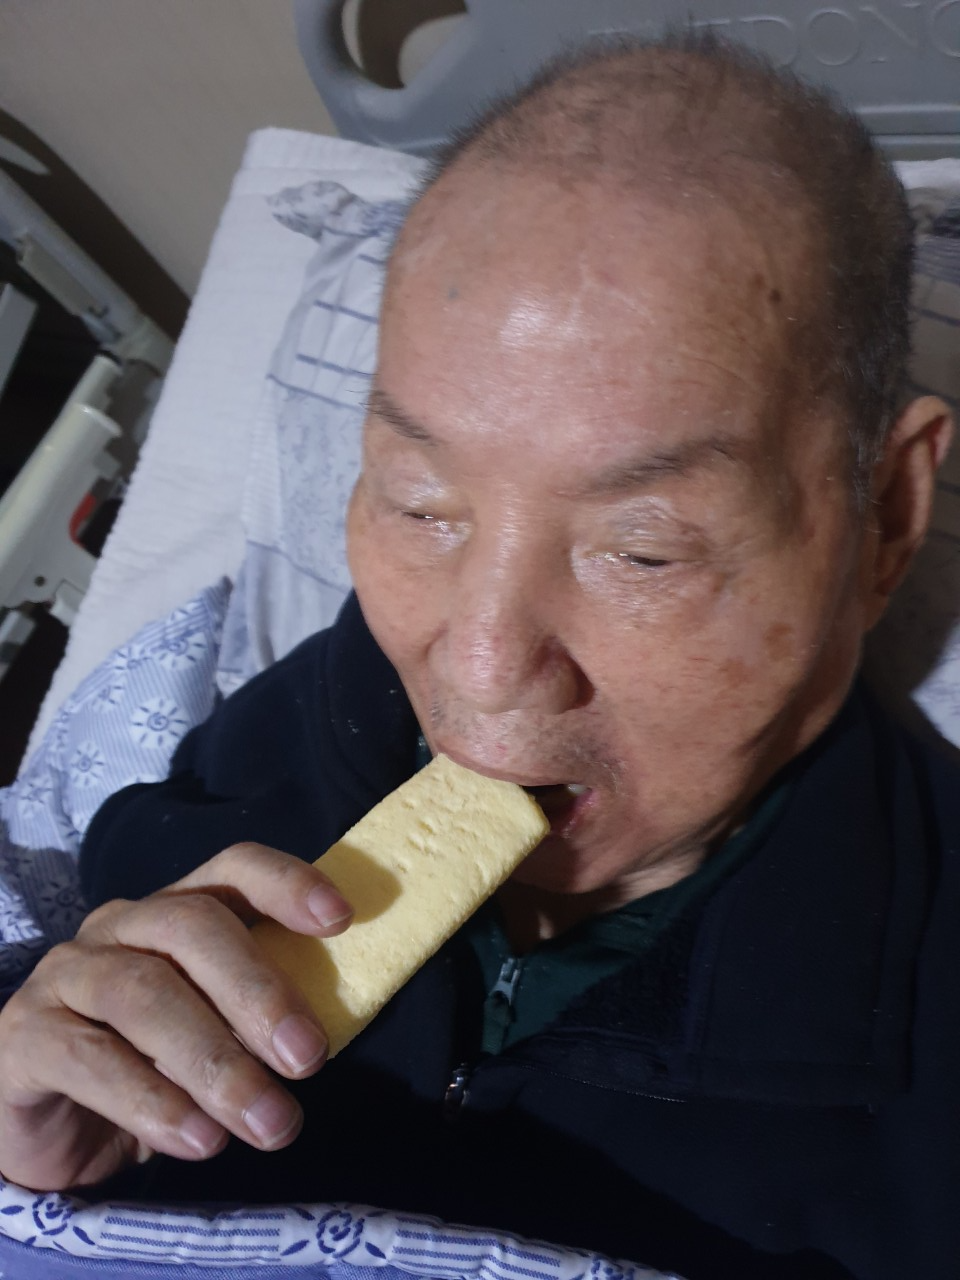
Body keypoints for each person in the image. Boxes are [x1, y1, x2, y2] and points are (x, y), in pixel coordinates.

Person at [0, 30, 956, 1280]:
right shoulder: (309, 717)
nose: (481, 669)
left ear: (885, 516)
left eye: (642, 549)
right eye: (421, 503)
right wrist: (40, 1127)